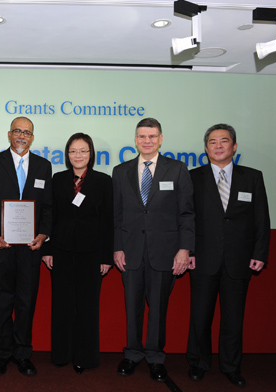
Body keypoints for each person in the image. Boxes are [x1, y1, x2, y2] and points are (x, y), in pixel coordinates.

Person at [186, 124, 270, 388]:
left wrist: (260, 252)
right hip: (202, 258)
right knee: (200, 316)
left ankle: (231, 367)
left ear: (234, 146)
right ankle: (198, 363)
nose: (218, 145)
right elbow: (187, 219)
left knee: (234, 318)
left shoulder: (252, 177)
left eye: (224, 141)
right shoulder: (192, 177)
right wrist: (188, 251)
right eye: (212, 141)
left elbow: (262, 219)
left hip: (239, 259)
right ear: (206, 148)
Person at [112, 117, 194, 382]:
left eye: (152, 136)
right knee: (132, 306)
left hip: (165, 252)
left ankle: (156, 357)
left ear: (160, 139)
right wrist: (117, 248)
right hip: (131, 251)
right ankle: (132, 354)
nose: (146, 141)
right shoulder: (120, 171)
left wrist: (185, 249)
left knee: (158, 307)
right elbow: (117, 215)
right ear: (135, 139)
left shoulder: (178, 169)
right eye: (142, 136)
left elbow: (186, 213)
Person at [0, 116, 52, 376]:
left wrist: (43, 234)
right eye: (17, 131)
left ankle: (22, 353)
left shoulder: (44, 166)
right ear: (9, 134)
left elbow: (48, 208)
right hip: (0, 247)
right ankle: (0, 354)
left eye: (27, 132)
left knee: (25, 302)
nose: (22, 136)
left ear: (33, 137)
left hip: (29, 249)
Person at [41, 133, 113, 374]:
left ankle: (85, 357)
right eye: (73, 151)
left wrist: (106, 257)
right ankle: (61, 354)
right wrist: (47, 250)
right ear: (67, 154)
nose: (78, 155)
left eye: (83, 151)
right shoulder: (58, 179)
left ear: (91, 154)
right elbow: (50, 216)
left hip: (91, 254)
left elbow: (108, 221)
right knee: (61, 305)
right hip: (60, 252)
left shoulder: (103, 181)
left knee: (87, 307)